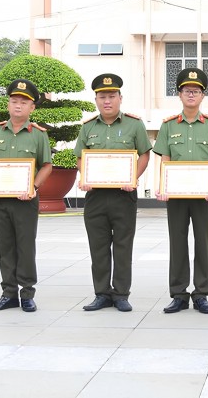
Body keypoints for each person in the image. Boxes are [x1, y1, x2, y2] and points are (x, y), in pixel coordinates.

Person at [153, 68, 208, 314]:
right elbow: (164, 158)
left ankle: (201, 294)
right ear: (179, 94)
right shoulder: (167, 126)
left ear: (202, 96)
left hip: (204, 197)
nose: (191, 95)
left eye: (196, 91)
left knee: (203, 244)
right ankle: (178, 294)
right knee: (177, 244)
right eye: (187, 91)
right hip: (175, 195)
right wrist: (162, 186)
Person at [74, 73, 152, 312]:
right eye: (102, 97)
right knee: (97, 246)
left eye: (111, 96)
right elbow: (80, 156)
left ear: (120, 97)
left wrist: (134, 178)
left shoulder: (134, 124)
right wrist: (84, 177)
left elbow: (145, 154)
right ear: (96, 100)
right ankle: (101, 293)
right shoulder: (88, 127)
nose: (107, 101)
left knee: (122, 245)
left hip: (123, 195)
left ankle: (121, 294)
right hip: (96, 196)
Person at [0, 79, 53, 313]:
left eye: (24, 102)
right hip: (0, 200)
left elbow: (47, 166)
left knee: (25, 246)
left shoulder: (38, 134)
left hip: (25, 200)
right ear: (8, 104)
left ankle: (27, 293)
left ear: (32, 108)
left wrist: (34, 186)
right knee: (6, 246)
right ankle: (8, 292)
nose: (18, 105)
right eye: (14, 101)